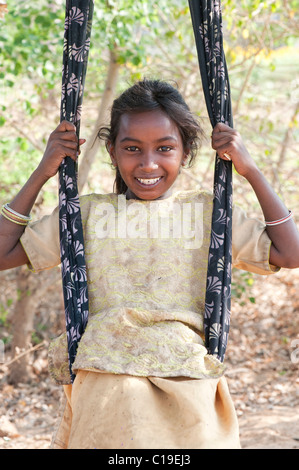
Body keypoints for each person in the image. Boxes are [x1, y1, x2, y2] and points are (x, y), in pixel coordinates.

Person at [1, 79, 299, 449]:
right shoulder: (87, 215)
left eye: (164, 148)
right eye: (131, 148)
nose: (148, 164)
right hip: (107, 378)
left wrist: (250, 170)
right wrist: (42, 172)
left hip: (186, 378)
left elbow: (290, 253)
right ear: (112, 151)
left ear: (186, 152)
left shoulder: (208, 213)